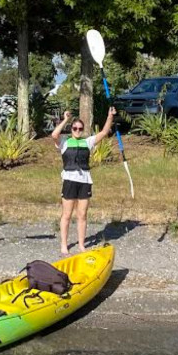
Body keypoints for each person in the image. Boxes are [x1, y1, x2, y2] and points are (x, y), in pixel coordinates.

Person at [50, 107, 117, 255]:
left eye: (80, 128)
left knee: (82, 214)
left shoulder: (87, 142)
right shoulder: (64, 142)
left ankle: (81, 244)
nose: (78, 130)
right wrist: (66, 120)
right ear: (71, 129)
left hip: (85, 180)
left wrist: (110, 116)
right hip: (69, 180)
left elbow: (104, 132)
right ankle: (64, 245)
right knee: (67, 214)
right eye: (75, 128)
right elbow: (54, 134)